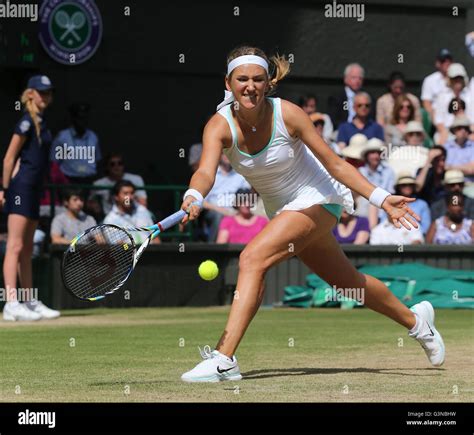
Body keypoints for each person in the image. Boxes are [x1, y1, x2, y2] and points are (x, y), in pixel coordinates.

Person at [178, 46, 444, 383]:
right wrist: (194, 194)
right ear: (228, 84)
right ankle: (418, 323)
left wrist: (381, 199)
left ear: (267, 83)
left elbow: (335, 163)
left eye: (258, 79)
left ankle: (224, 358)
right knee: (349, 284)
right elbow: (205, 172)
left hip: (320, 197)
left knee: (251, 259)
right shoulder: (219, 126)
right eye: (242, 79)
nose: (250, 86)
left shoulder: (287, 114)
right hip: (285, 211)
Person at [1, 75, 60, 321]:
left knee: (27, 248)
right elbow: (8, 158)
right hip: (20, 189)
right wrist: (4, 190)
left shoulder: (42, 124)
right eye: (41, 92)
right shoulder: (25, 123)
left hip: (35, 189)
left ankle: (29, 301)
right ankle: (11, 304)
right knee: (14, 245)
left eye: (48, 92)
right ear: (31, 94)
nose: (45, 96)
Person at [201, 153, 251, 241]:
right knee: (219, 216)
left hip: (236, 210)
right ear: (219, 155)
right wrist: (221, 210)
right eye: (225, 153)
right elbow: (202, 202)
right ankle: (212, 249)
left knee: (257, 216)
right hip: (215, 211)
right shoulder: (211, 174)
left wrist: (239, 210)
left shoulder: (240, 174)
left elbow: (247, 195)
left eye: (230, 153)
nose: (228, 156)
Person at [50, 102, 101, 185]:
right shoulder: (62, 137)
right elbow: (54, 163)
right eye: (79, 118)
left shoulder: (93, 136)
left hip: (89, 181)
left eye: (84, 118)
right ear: (73, 118)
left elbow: (97, 160)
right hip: (68, 180)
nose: (82, 121)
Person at [103, 180, 160, 244]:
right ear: (116, 197)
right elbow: (119, 246)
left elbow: (155, 237)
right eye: (125, 193)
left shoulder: (143, 210)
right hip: (130, 253)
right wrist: (129, 248)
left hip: (152, 251)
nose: (129, 197)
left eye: (132, 193)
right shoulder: (110, 220)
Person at [434, 63, 474, 144]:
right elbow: (439, 120)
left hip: (467, 131)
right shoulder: (442, 97)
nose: (457, 81)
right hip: (447, 132)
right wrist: (444, 133)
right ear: (449, 79)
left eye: (460, 78)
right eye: (455, 78)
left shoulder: (471, 96)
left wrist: (468, 133)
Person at [328, 63, 374, 128]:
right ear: (345, 79)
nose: (357, 81)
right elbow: (334, 119)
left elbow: (371, 118)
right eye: (354, 77)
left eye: (360, 78)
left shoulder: (367, 97)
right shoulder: (337, 97)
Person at [421, 49, 453, 122]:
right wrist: (435, 120)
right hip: (436, 117)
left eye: (449, 60)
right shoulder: (429, 80)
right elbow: (426, 103)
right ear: (437, 63)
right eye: (443, 61)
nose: (447, 63)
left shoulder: (458, 78)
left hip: (454, 115)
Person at [443, 116, 474, 184]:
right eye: (459, 128)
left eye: (466, 128)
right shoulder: (446, 147)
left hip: (469, 183)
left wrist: (451, 167)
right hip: (449, 184)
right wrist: (466, 167)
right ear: (454, 130)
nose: (463, 131)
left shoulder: (473, 146)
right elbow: (443, 167)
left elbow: (472, 170)